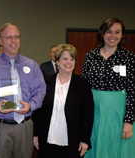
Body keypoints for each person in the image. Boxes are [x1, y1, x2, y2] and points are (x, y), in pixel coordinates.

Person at [0, 22, 46, 158]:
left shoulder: (32, 65)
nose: (14, 41)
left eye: (17, 37)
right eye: (9, 37)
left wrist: (31, 105)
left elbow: (40, 90)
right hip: (0, 127)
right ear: (0, 41)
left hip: (25, 126)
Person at [81, 18, 135, 158]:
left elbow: (132, 90)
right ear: (102, 34)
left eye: (117, 32)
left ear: (122, 35)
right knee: (94, 145)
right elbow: (83, 87)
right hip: (94, 111)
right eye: (109, 31)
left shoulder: (128, 57)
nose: (113, 36)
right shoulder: (90, 56)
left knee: (116, 148)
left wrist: (129, 121)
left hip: (118, 113)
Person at [32, 44, 94, 158]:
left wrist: (85, 140)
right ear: (57, 61)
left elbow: (88, 115)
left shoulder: (82, 84)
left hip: (72, 143)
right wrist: (35, 134)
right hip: (47, 140)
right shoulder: (45, 83)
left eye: (72, 59)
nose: (69, 62)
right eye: (65, 58)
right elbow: (38, 111)